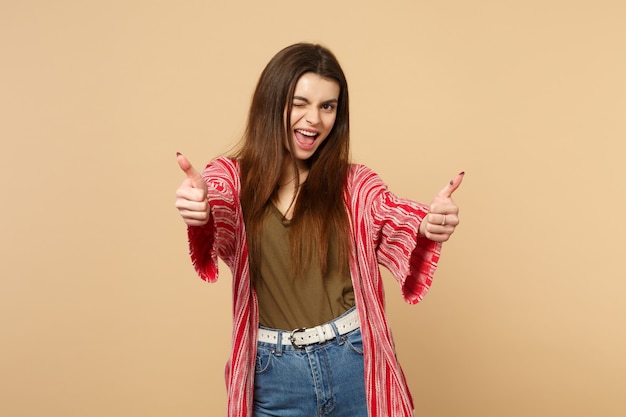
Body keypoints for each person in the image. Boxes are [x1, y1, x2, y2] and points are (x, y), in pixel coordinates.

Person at [175, 43, 463, 417]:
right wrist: (200, 206)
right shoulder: (233, 179)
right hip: (274, 375)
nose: (314, 119)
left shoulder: (354, 184)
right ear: (271, 102)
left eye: (327, 106)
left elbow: (389, 212)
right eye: (300, 102)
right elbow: (218, 202)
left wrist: (428, 222)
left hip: (355, 364)